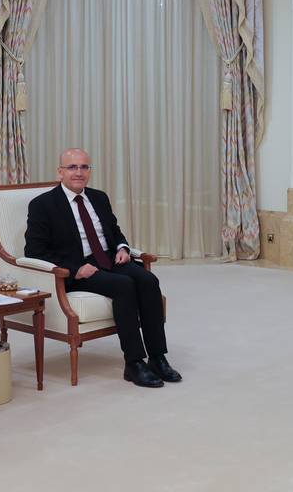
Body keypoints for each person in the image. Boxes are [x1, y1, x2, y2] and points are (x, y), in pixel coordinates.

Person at [24, 148, 180, 388]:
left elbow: (115, 231)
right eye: (72, 167)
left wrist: (122, 248)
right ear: (60, 172)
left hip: (108, 259)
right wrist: (75, 268)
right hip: (76, 270)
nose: (79, 172)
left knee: (149, 281)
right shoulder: (42, 205)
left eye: (84, 167)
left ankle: (158, 357)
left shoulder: (99, 197)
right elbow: (34, 251)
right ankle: (134, 363)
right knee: (124, 286)